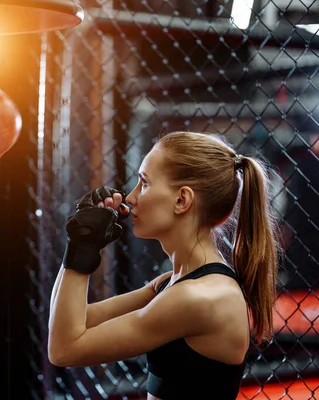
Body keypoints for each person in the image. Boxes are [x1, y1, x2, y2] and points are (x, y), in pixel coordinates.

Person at [48, 131, 281, 400]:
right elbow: (70, 323)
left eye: (144, 183)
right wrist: (80, 242)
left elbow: (65, 349)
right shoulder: (174, 282)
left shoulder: (197, 298)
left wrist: (83, 249)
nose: (130, 198)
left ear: (182, 200)